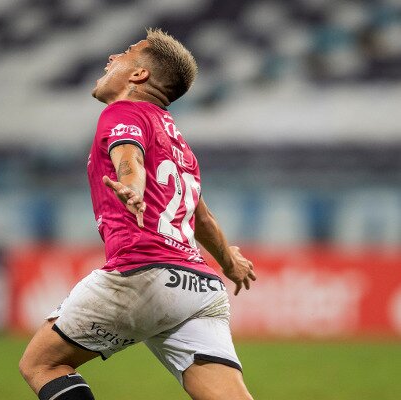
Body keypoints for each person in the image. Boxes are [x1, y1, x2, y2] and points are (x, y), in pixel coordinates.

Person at [19, 28, 257, 400]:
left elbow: (129, 160)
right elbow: (201, 218)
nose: (113, 56)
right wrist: (230, 261)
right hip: (200, 287)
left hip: (142, 273)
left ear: (138, 75)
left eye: (126, 53)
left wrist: (131, 185)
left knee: (42, 365)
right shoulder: (178, 141)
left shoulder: (123, 112)